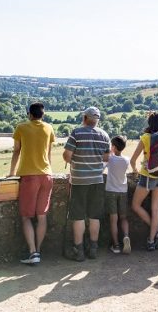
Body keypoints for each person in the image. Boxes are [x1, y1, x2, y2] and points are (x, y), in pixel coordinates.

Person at [9, 102, 56, 265]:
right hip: (47, 175)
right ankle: (39, 250)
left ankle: (32, 252)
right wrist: (48, 169)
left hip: (29, 176)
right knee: (41, 216)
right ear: (43, 114)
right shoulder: (49, 128)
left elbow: (16, 151)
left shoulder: (21, 127)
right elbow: (48, 153)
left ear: (29, 113)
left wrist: (11, 173)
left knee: (26, 217)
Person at [62, 106, 110, 261]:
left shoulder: (76, 133)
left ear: (84, 118)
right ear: (97, 121)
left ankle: (79, 250)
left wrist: (75, 160)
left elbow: (67, 156)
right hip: (97, 180)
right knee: (94, 216)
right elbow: (106, 158)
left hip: (79, 181)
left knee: (78, 216)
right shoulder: (104, 135)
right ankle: (93, 248)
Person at [129, 113, 158, 251]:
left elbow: (133, 160)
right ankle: (151, 241)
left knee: (135, 205)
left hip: (147, 176)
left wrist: (135, 171)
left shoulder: (146, 137)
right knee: (156, 209)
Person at [105, 135, 131, 255]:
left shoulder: (110, 159)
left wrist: (110, 152)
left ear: (114, 147)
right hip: (123, 191)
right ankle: (126, 236)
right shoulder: (126, 160)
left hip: (111, 191)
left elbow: (101, 167)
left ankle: (116, 245)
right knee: (123, 217)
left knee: (113, 220)